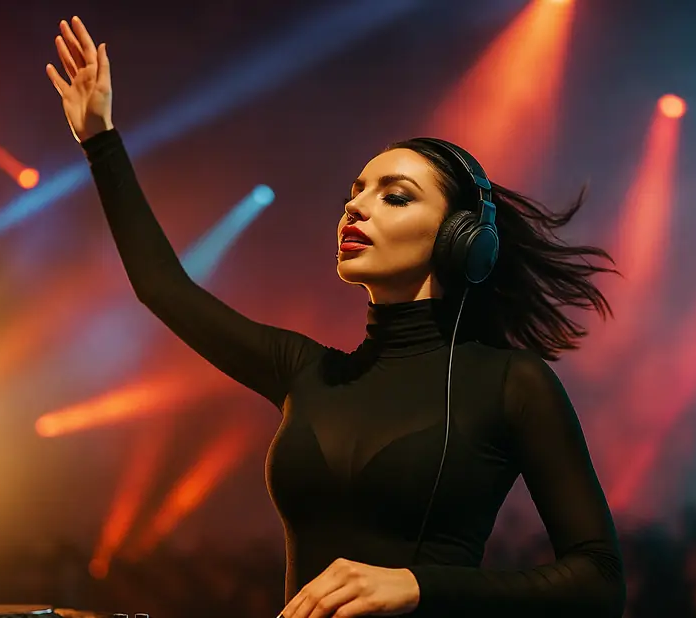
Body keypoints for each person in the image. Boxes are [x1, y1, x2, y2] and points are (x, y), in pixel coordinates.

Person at [47, 15, 625, 618]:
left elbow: (599, 580)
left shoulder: (512, 384)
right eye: (357, 190)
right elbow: (162, 287)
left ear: (460, 239)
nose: (356, 206)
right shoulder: (307, 372)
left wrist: (420, 586)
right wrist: (100, 140)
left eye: (394, 196)